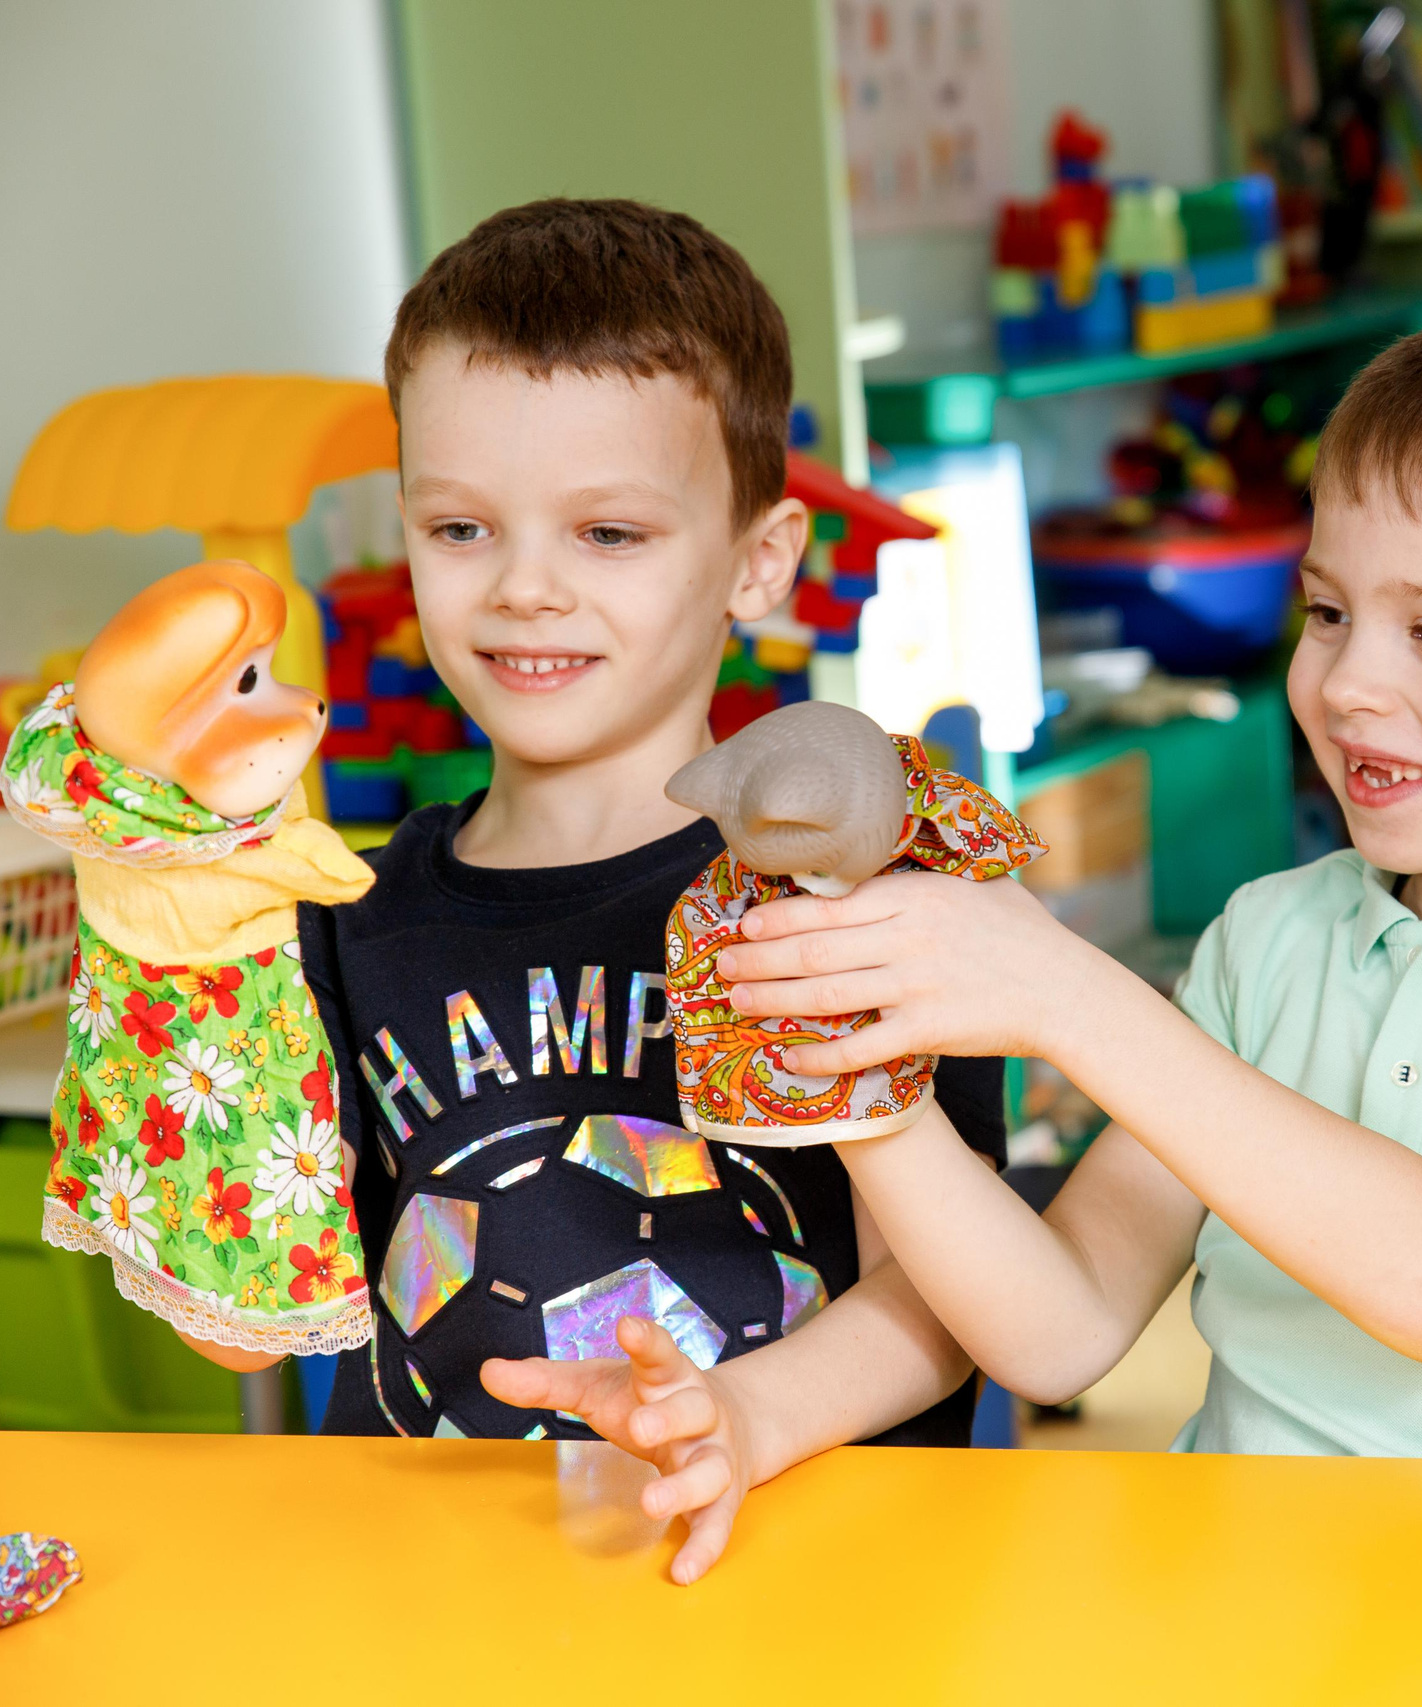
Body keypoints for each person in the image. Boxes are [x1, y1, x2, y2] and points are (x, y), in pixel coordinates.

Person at [715, 294, 1422, 1462]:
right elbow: (1060, 1332)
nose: (1346, 682)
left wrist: (1065, 994)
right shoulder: (1268, 939)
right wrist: (842, 1061)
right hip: (1255, 1602)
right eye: (1328, 612)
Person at [291, 199, 1009, 1579]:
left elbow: (955, 1303)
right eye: (461, 528)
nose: (525, 589)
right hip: (447, 1603)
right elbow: (263, 1289)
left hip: (808, 1585)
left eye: (607, 533)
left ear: (758, 561)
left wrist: (745, 1414)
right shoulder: (339, 916)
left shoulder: (860, 894)